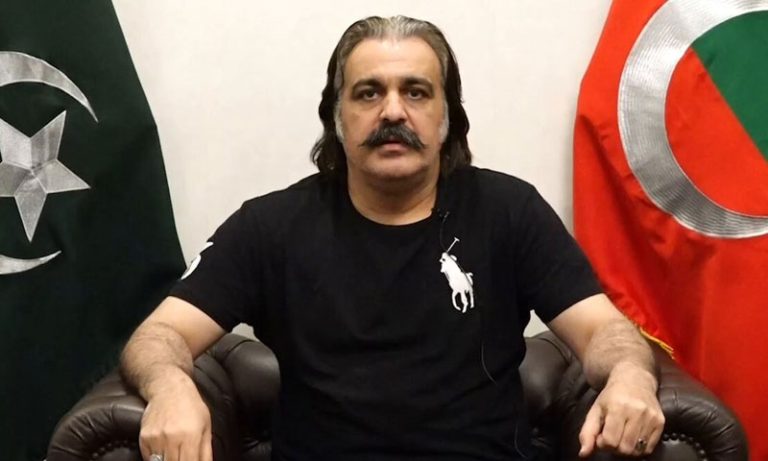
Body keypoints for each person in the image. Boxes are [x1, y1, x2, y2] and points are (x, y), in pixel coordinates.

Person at [120, 15, 664, 461]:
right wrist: (170, 387)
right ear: (337, 116)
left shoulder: (510, 211)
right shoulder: (270, 227)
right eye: (368, 93)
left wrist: (630, 376)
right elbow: (158, 335)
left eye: (417, 92)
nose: (393, 111)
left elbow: (603, 332)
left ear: (447, 116)